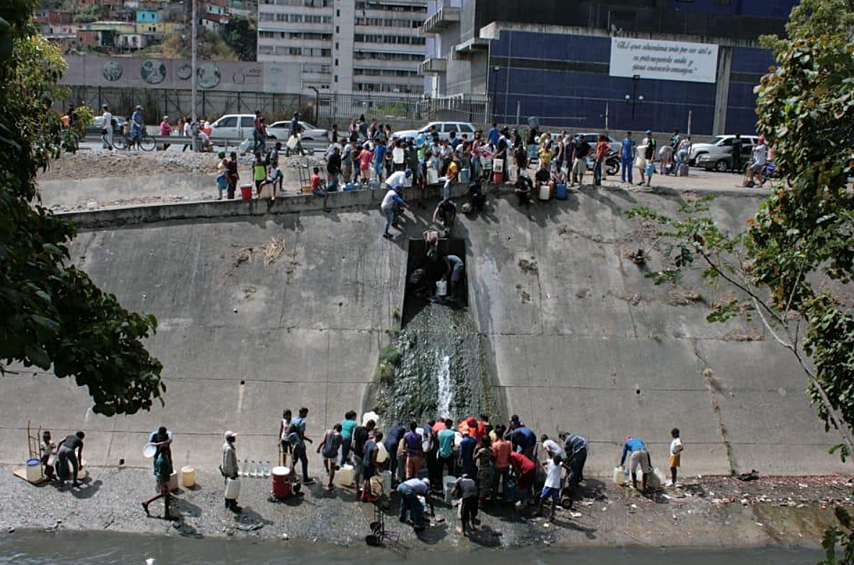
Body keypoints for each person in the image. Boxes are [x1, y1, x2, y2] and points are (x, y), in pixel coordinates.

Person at [142, 433, 174, 520]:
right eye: (167, 451)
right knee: (165, 494)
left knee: (165, 494)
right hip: (164, 480)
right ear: (164, 451)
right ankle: (166, 514)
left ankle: (147, 503)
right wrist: (163, 483)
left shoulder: (161, 456)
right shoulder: (162, 460)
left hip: (164, 479)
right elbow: (161, 473)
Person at [536, 453, 563, 522]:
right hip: (548, 484)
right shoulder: (550, 462)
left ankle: (551, 514)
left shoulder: (560, 464)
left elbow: (568, 469)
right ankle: (539, 511)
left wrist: (565, 476)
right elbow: (542, 463)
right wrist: (545, 470)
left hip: (556, 485)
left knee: (554, 500)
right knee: (542, 498)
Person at [317, 423, 343, 491]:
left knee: (325, 458)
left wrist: (318, 448)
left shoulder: (328, 431)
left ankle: (326, 469)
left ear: (334, 427)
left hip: (325, 451)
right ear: (340, 430)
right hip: (333, 453)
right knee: (333, 468)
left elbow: (323, 441)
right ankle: (330, 483)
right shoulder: (340, 436)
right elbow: (338, 445)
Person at [291, 407, 313, 484]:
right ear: (303, 413)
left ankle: (291, 473)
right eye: (306, 413)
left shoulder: (293, 419)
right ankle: (306, 479)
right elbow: (301, 436)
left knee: (294, 459)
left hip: (293, 443)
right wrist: (309, 439)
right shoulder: (302, 422)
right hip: (300, 445)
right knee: (305, 461)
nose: (306, 415)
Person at [221, 431, 241, 512]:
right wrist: (232, 473)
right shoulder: (229, 449)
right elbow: (228, 462)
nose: (235, 438)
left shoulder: (226, 445)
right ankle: (232, 505)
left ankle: (227, 502)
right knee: (232, 487)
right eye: (233, 437)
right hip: (230, 471)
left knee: (228, 486)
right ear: (229, 438)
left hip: (226, 471)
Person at [352, 419, 375, 489]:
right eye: (372, 428)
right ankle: (358, 485)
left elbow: (355, 438)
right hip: (360, 454)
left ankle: (356, 482)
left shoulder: (358, 428)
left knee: (357, 467)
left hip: (355, 451)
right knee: (359, 470)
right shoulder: (365, 434)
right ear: (370, 426)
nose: (372, 429)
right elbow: (363, 446)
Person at [361, 430, 383, 502]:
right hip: (369, 465)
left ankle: (363, 494)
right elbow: (373, 460)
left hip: (364, 462)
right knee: (369, 481)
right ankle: (369, 496)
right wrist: (379, 467)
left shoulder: (368, 441)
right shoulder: (376, 448)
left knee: (365, 479)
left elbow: (363, 451)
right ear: (379, 439)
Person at [491, 425, 511, 502]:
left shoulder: (495, 445)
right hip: (506, 465)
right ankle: (505, 499)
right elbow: (509, 455)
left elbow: (494, 456)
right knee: (505, 484)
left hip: (497, 466)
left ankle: (493, 499)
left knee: (495, 483)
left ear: (496, 435)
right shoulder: (508, 443)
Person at [475, 435, 494, 504]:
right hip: (488, 468)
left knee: (481, 485)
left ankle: (481, 501)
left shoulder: (481, 451)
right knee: (486, 485)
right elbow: (493, 459)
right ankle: (484, 499)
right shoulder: (491, 450)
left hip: (482, 469)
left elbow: (474, 458)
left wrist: (475, 449)